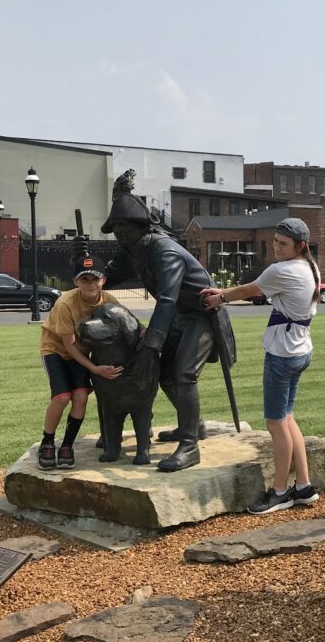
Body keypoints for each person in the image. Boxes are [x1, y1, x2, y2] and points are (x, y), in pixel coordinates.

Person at [97, 170, 236, 472]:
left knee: (184, 373)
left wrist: (152, 344)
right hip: (179, 317)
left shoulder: (163, 250)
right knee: (166, 375)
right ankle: (194, 424)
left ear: (139, 226)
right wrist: (82, 266)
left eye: (122, 226)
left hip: (202, 315)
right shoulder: (132, 251)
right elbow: (104, 278)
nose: (118, 232)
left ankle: (189, 447)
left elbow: (169, 299)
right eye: (115, 227)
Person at [202, 219, 320, 514]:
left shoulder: (282, 269)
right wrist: (223, 292)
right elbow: (254, 288)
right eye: (275, 241)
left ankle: (280, 493)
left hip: (282, 355)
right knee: (287, 418)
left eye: (283, 243)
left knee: (276, 423)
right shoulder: (309, 268)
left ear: (299, 246)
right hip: (300, 351)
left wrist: (220, 298)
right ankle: (303, 486)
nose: (277, 247)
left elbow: (249, 290)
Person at [36, 254, 122, 470]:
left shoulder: (109, 301)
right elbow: (69, 344)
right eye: (84, 279)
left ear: (103, 280)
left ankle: (67, 445)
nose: (91, 284)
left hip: (80, 353)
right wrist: (94, 369)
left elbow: (126, 321)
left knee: (81, 397)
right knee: (62, 397)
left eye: (95, 278)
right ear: (76, 282)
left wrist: (144, 332)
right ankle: (47, 441)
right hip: (56, 350)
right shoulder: (65, 303)